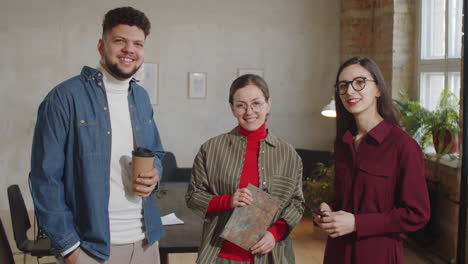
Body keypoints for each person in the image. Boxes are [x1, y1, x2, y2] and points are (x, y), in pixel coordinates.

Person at [30, 7, 165, 264]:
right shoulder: (63, 98)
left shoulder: (141, 97)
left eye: (138, 43)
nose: (129, 49)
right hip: (92, 249)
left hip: (147, 242)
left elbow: (156, 152)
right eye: (119, 41)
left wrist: (155, 173)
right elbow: (44, 179)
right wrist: (69, 249)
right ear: (101, 45)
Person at [313, 57, 431, 264]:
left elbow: (417, 214)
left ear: (378, 89)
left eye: (359, 82)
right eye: (343, 86)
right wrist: (329, 210)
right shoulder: (343, 143)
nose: (350, 91)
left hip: (377, 255)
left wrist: (358, 223)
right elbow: (349, 200)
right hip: (337, 253)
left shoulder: (403, 145)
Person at [185, 74, 305, 264]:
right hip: (220, 256)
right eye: (241, 105)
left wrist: (274, 234)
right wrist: (227, 200)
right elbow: (193, 197)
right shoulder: (211, 149)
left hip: (270, 257)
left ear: (268, 104)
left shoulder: (288, 155)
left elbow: (296, 204)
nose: (249, 111)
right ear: (232, 109)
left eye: (256, 103)